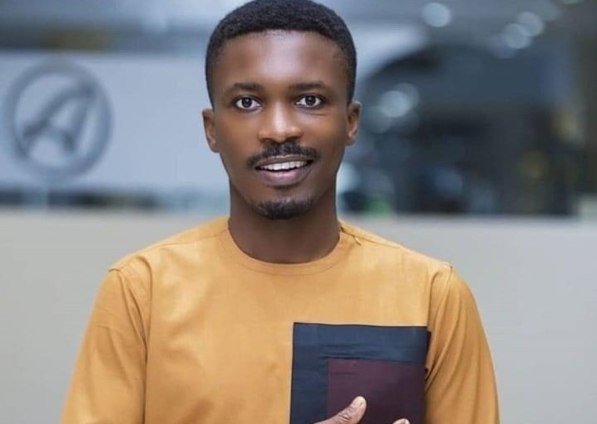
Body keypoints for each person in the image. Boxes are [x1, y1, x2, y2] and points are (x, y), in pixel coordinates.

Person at [60, 0, 499, 423]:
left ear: (351, 122)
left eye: (309, 100)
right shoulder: (143, 291)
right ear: (212, 130)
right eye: (247, 103)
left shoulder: (431, 296)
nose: (278, 129)